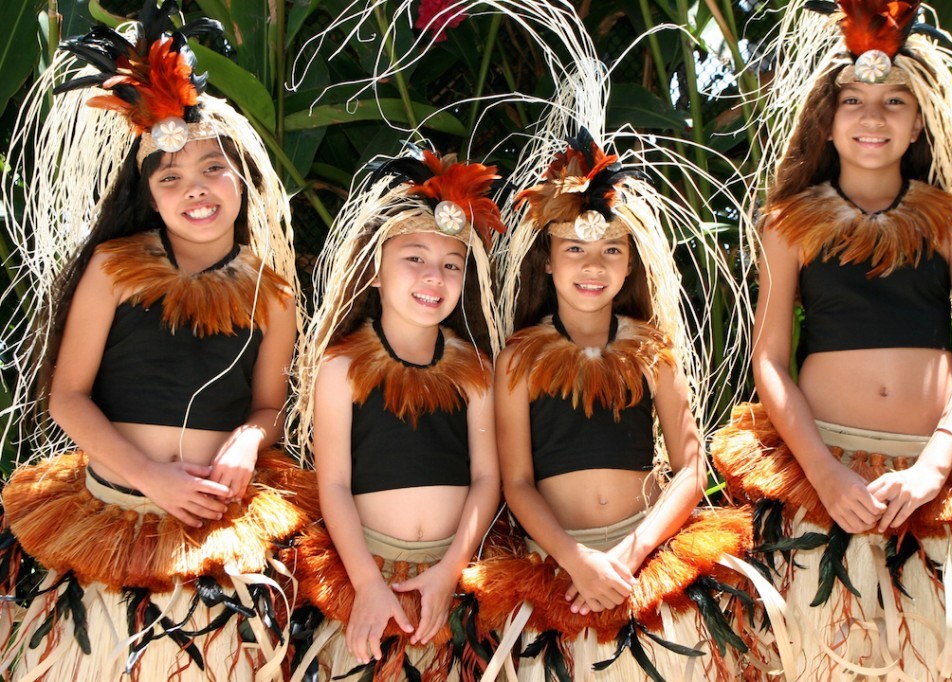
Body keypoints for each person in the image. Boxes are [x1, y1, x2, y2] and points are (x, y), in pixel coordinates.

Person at [711, 1, 952, 678]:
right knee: (826, 656)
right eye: (853, 100)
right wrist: (823, 471)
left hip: (930, 476)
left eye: (893, 101)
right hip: (825, 469)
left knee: (938, 655)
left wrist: (939, 462)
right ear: (828, 117)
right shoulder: (788, 223)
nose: (872, 117)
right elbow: (769, 359)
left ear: (918, 121)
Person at [0, 3, 306, 678]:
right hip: (114, 508)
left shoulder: (273, 292)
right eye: (170, 178)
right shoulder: (114, 269)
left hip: (217, 531)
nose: (194, 189)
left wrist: (249, 441)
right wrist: (150, 477)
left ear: (242, 179)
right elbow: (68, 396)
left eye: (211, 169)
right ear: (151, 195)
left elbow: (268, 407)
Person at [462, 126, 759, 682]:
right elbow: (517, 483)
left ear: (629, 267)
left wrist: (632, 551)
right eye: (574, 249)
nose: (592, 266)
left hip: (645, 556)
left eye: (610, 251)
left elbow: (691, 466)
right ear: (547, 262)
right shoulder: (517, 360)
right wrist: (577, 560)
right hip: (555, 564)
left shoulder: (653, 351)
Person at [283, 146, 503, 680]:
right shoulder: (340, 367)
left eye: (452, 264)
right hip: (367, 570)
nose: (435, 276)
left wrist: (450, 572)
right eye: (415, 258)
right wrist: (366, 584)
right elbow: (333, 484)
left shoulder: (476, 369)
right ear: (375, 272)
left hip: (454, 573)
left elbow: (486, 478)